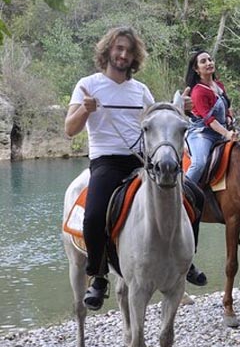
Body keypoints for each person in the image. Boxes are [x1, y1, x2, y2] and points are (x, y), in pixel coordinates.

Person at [65, 27, 207, 311]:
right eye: (118, 48)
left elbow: (158, 122)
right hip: (106, 161)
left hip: (142, 160)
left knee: (195, 195)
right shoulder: (88, 84)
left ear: (135, 57)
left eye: (129, 51)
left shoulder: (141, 90)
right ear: (107, 51)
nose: (123, 55)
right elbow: (70, 129)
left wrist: (183, 110)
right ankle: (99, 275)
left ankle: (185, 262)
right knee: (94, 215)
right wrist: (85, 110)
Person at [184, 50, 238, 185]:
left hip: (222, 131)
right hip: (203, 134)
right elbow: (209, 120)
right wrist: (226, 133)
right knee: (199, 164)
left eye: (210, 59)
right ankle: (182, 195)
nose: (209, 63)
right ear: (196, 69)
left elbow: (227, 107)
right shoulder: (198, 92)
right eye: (203, 61)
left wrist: (229, 118)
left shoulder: (219, 85)